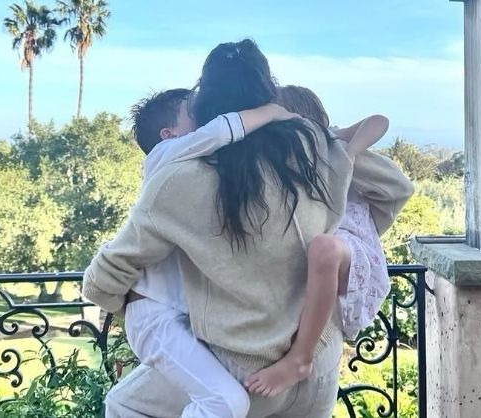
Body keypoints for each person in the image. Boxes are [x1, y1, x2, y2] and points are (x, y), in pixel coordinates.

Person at [83, 39, 410, 418]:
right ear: (268, 94)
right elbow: (396, 187)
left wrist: (142, 310)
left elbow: (102, 281)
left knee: (123, 404)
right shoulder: (312, 149)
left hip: (242, 370)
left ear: (207, 105)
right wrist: (342, 159)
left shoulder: (178, 178)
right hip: (319, 360)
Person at [122, 87, 299, 418]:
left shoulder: (193, 169)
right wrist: (273, 112)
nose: (203, 115)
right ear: (168, 135)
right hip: (155, 317)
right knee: (226, 401)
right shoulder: (161, 157)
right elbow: (219, 130)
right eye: (192, 111)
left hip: (176, 316)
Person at [245, 85, 413, 396]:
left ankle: (301, 358)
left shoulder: (332, 146)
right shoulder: (282, 164)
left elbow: (379, 121)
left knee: (324, 248)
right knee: (320, 248)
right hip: (329, 249)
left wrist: (348, 153)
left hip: (351, 248)